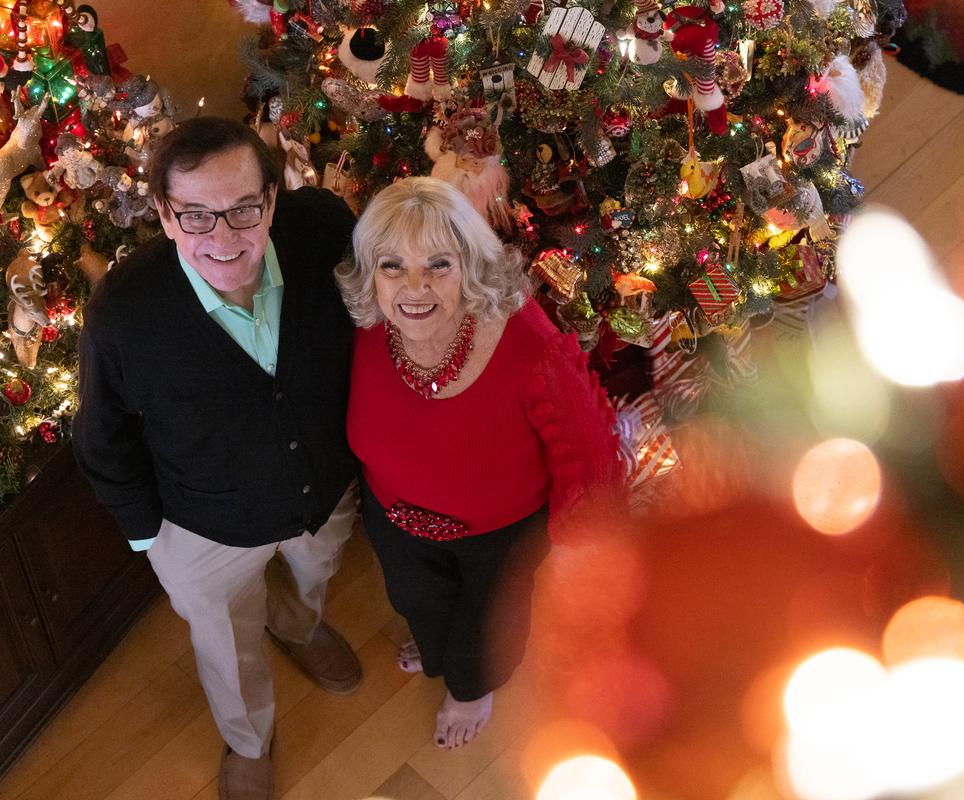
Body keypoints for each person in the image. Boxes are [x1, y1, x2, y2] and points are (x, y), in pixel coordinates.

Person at [73, 117, 361, 800]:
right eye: (196, 215)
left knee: (316, 570)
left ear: (274, 196)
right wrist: (156, 542)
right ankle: (248, 739)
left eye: (243, 208)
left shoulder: (320, 228)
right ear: (166, 217)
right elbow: (102, 438)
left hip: (323, 489)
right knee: (227, 649)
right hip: (203, 525)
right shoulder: (124, 312)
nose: (224, 238)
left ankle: (299, 622)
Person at [338, 177, 625, 749]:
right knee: (415, 601)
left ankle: (472, 689)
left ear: (470, 265)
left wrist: (582, 549)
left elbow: (590, 454)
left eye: (437, 264)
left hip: (501, 537)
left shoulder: (529, 343)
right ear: (370, 273)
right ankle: (439, 640)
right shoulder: (369, 322)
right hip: (395, 520)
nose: (412, 288)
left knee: (486, 630)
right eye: (391, 265)